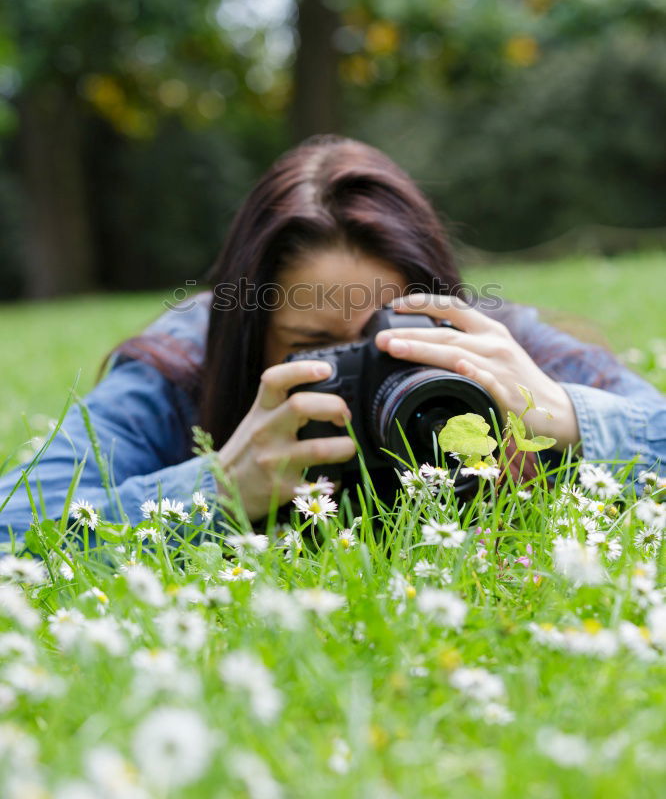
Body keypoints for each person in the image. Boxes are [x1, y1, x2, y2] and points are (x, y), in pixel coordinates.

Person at [1, 135, 664, 541]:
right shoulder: (181, 369)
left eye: (393, 331)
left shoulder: (491, 350)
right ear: (246, 337)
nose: (372, 369)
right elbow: (15, 536)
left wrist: (573, 421)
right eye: (317, 344)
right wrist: (217, 490)